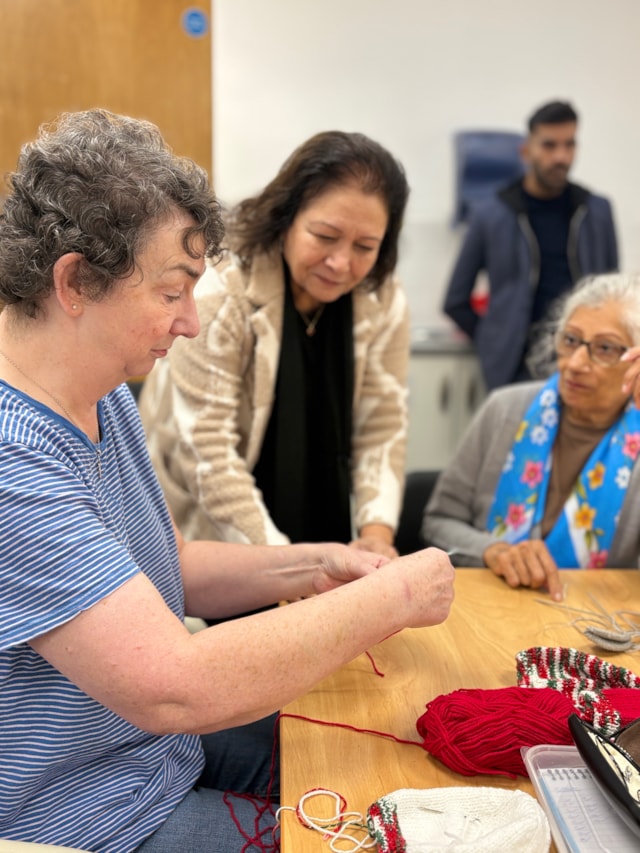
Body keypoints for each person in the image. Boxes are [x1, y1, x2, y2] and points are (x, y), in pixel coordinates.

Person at [0, 109, 455, 853]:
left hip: (147, 753)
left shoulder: (102, 386)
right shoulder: (15, 462)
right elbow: (173, 683)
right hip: (88, 810)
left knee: (388, 766)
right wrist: (394, 595)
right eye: (172, 291)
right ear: (77, 280)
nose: (189, 322)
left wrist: (316, 562)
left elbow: (165, 564)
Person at [138, 131, 410, 560]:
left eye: (365, 247)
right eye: (324, 236)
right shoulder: (222, 288)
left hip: (318, 524)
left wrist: (376, 534)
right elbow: (207, 454)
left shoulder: (382, 298)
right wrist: (287, 569)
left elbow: (383, 425)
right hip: (208, 531)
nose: (341, 262)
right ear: (287, 217)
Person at [423, 273, 640, 603]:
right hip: (489, 606)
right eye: (570, 340)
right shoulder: (505, 410)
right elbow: (438, 522)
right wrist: (492, 551)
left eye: (605, 348)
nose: (576, 363)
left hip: (596, 621)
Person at [443, 100, 619, 391]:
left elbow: (613, 293)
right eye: (549, 145)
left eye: (569, 144)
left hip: (585, 365)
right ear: (526, 150)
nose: (561, 156)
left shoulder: (596, 211)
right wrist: (495, 341)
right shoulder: (492, 213)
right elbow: (455, 300)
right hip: (515, 370)